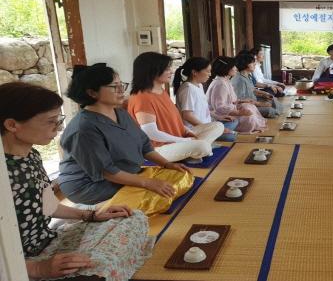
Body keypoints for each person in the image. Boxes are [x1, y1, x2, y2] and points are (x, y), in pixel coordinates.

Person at [0, 82, 153, 281]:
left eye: (59, 119)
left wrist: (90, 215)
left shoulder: (31, 155)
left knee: (132, 218)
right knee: (96, 269)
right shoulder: (5, 171)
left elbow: (48, 205)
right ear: (12, 125)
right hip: (16, 264)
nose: (59, 127)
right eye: (50, 121)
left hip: (47, 242)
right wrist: (37, 269)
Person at [58, 64, 191, 205]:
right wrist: (147, 183)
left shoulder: (120, 113)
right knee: (158, 196)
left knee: (179, 177)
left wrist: (167, 164)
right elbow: (106, 171)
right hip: (91, 185)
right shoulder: (83, 128)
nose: (121, 90)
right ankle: (90, 209)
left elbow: (144, 145)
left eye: (121, 84)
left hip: (124, 173)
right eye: (114, 86)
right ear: (92, 93)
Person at [128, 52, 224, 163]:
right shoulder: (142, 97)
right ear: (152, 71)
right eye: (167, 69)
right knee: (203, 147)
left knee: (217, 126)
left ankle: (190, 152)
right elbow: (151, 133)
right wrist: (184, 140)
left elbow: (175, 121)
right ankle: (193, 150)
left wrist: (187, 133)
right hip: (156, 149)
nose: (171, 71)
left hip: (176, 138)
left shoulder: (161, 91)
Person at [173, 57, 239, 142]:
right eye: (207, 71)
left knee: (233, 121)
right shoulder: (188, 89)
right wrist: (210, 129)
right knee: (230, 137)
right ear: (194, 72)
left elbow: (204, 109)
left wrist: (219, 117)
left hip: (207, 125)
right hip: (196, 130)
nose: (210, 74)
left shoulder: (199, 85)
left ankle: (218, 133)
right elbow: (187, 116)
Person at [206, 56, 267, 133]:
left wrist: (242, 101)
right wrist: (239, 113)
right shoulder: (220, 84)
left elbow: (231, 100)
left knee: (249, 106)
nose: (236, 68)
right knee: (246, 115)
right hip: (219, 116)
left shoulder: (225, 80)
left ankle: (250, 126)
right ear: (227, 68)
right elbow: (220, 108)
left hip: (228, 110)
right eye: (234, 66)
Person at [231, 52, 283, 118]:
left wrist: (264, 94)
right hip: (246, 107)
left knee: (273, 101)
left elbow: (252, 89)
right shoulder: (239, 79)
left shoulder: (247, 76)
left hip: (253, 101)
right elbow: (240, 101)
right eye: (252, 62)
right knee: (270, 110)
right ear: (245, 64)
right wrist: (260, 104)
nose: (255, 64)